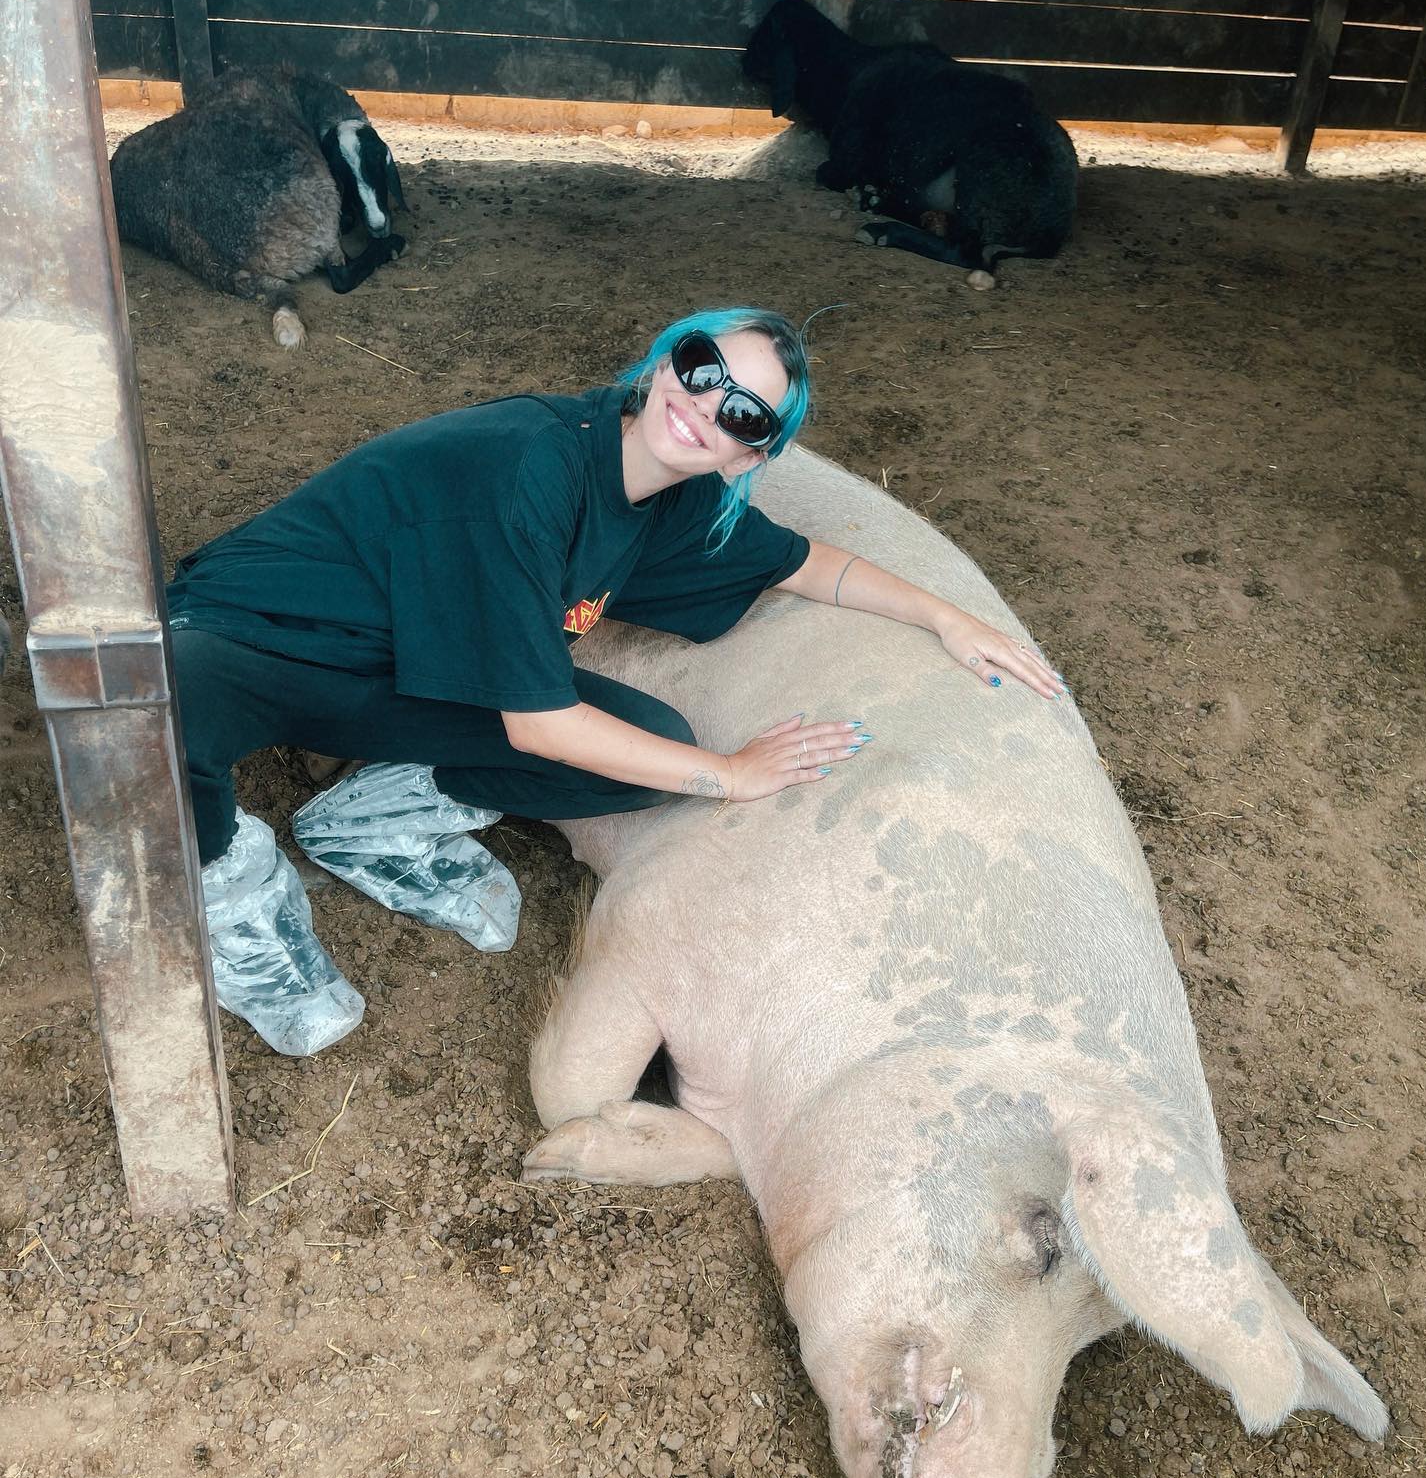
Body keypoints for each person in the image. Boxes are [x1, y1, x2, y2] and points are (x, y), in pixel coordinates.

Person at [168, 307, 1062, 1055]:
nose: (707, 404)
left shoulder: (668, 498)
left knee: (649, 750)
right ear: (666, 359)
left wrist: (946, 616)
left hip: (408, 663)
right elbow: (541, 726)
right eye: (703, 366)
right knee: (162, 721)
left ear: (748, 457)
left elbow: (803, 564)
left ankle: (371, 817)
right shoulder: (535, 462)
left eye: (744, 414)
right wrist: (731, 774)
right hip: (256, 637)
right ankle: (232, 900)